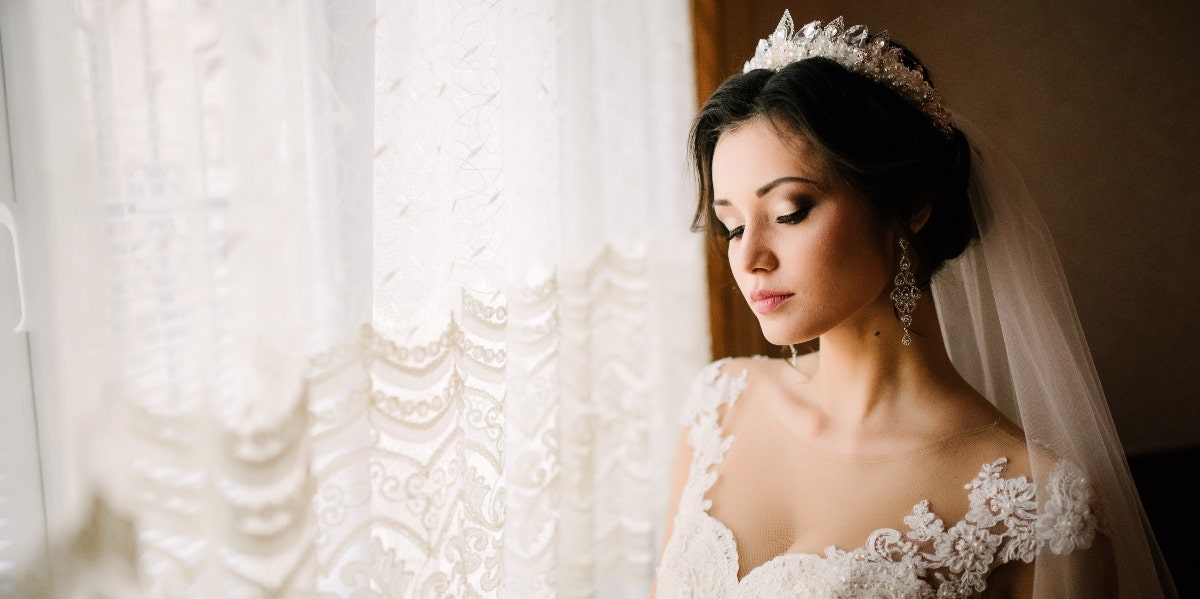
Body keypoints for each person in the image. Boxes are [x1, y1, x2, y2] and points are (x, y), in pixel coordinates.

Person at [651, 11, 1176, 598]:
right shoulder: (720, 406)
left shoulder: (1035, 507)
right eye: (731, 226)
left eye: (790, 212)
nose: (750, 258)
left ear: (910, 206)